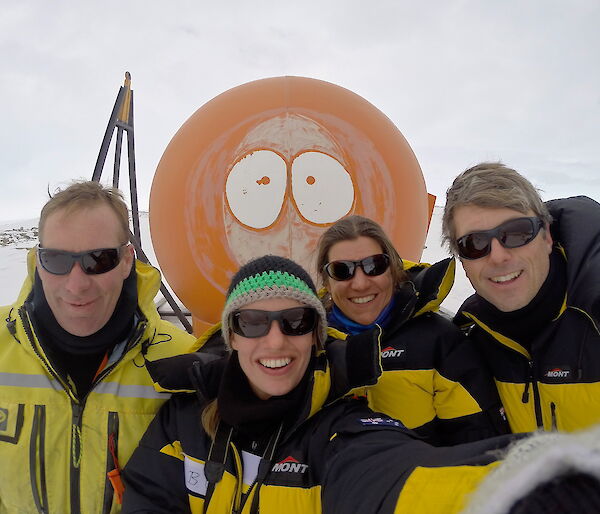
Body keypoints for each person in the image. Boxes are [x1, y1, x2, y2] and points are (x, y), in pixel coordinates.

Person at [121, 254, 521, 513]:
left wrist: (535, 480)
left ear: (316, 336)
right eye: (253, 322)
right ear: (233, 336)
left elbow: (395, 477)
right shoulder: (182, 423)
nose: (275, 340)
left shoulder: (343, 432)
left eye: (297, 321)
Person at [0, 181, 196, 513]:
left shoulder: (184, 361)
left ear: (126, 261)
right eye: (57, 260)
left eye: (98, 259)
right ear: (38, 262)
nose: (76, 285)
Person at [316, 215, 508, 445]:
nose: (360, 283)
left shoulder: (440, 344)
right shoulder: (305, 345)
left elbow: (478, 449)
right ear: (326, 281)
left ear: (394, 270)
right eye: (341, 270)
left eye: (374, 266)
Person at [442, 161, 600, 433]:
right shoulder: (467, 343)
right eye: (474, 244)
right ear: (462, 260)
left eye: (516, 233)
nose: (499, 256)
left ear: (547, 236)